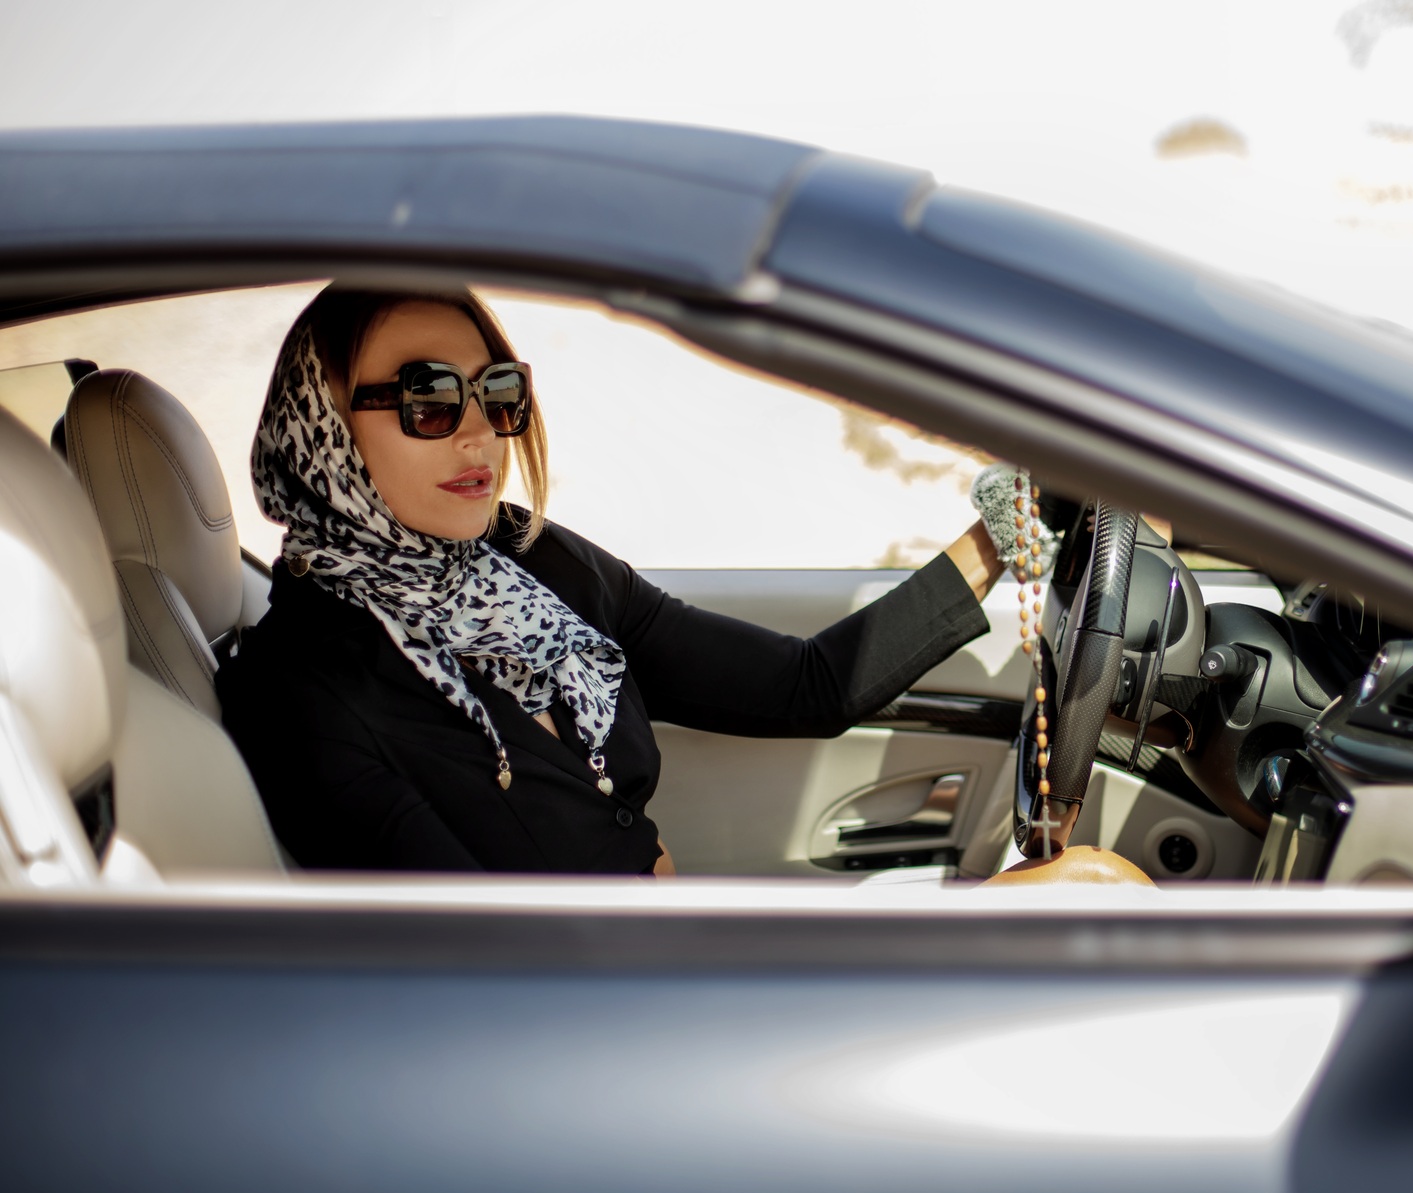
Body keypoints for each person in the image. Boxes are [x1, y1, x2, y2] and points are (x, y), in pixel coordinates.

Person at [217, 285, 1015, 876]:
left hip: (674, 964)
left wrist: (1006, 535)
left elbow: (806, 685)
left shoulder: (525, 557)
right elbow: (464, 966)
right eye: (428, 398)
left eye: (499, 393)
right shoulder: (298, 688)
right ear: (320, 429)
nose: (478, 432)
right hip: (604, 1030)